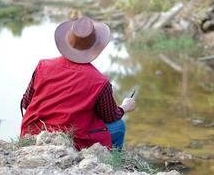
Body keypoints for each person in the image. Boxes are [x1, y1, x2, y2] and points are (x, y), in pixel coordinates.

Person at [20, 16, 135, 150]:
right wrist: (124, 107)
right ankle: (114, 163)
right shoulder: (99, 81)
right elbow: (110, 117)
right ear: (96, 46)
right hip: (70, 140)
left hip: (33, 134)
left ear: (67, 41)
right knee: (119, 126)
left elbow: (26, 103)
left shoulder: (43, 66)